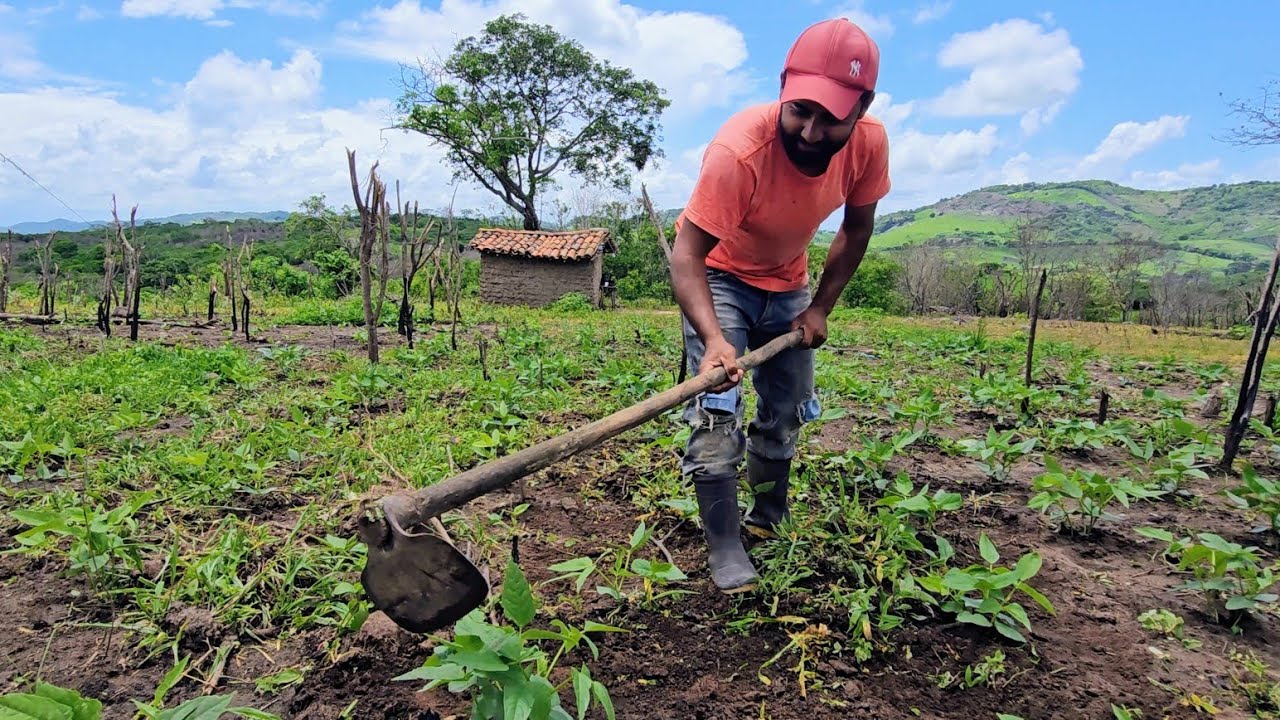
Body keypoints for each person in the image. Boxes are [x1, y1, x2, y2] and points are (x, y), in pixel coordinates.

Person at [669, 17, 891, 594]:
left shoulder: (868, 146)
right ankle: (724, 544)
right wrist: (716, 340)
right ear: (783, 91)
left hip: (789, 285)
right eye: (801, 111)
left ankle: (768, 517)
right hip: (721, 280)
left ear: (861, 108)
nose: (812, 132)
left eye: (832, 118)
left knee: (787, 406)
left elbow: (857, 229)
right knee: (718, 403)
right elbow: (688, 255)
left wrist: (819, 307)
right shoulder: (738, 151)